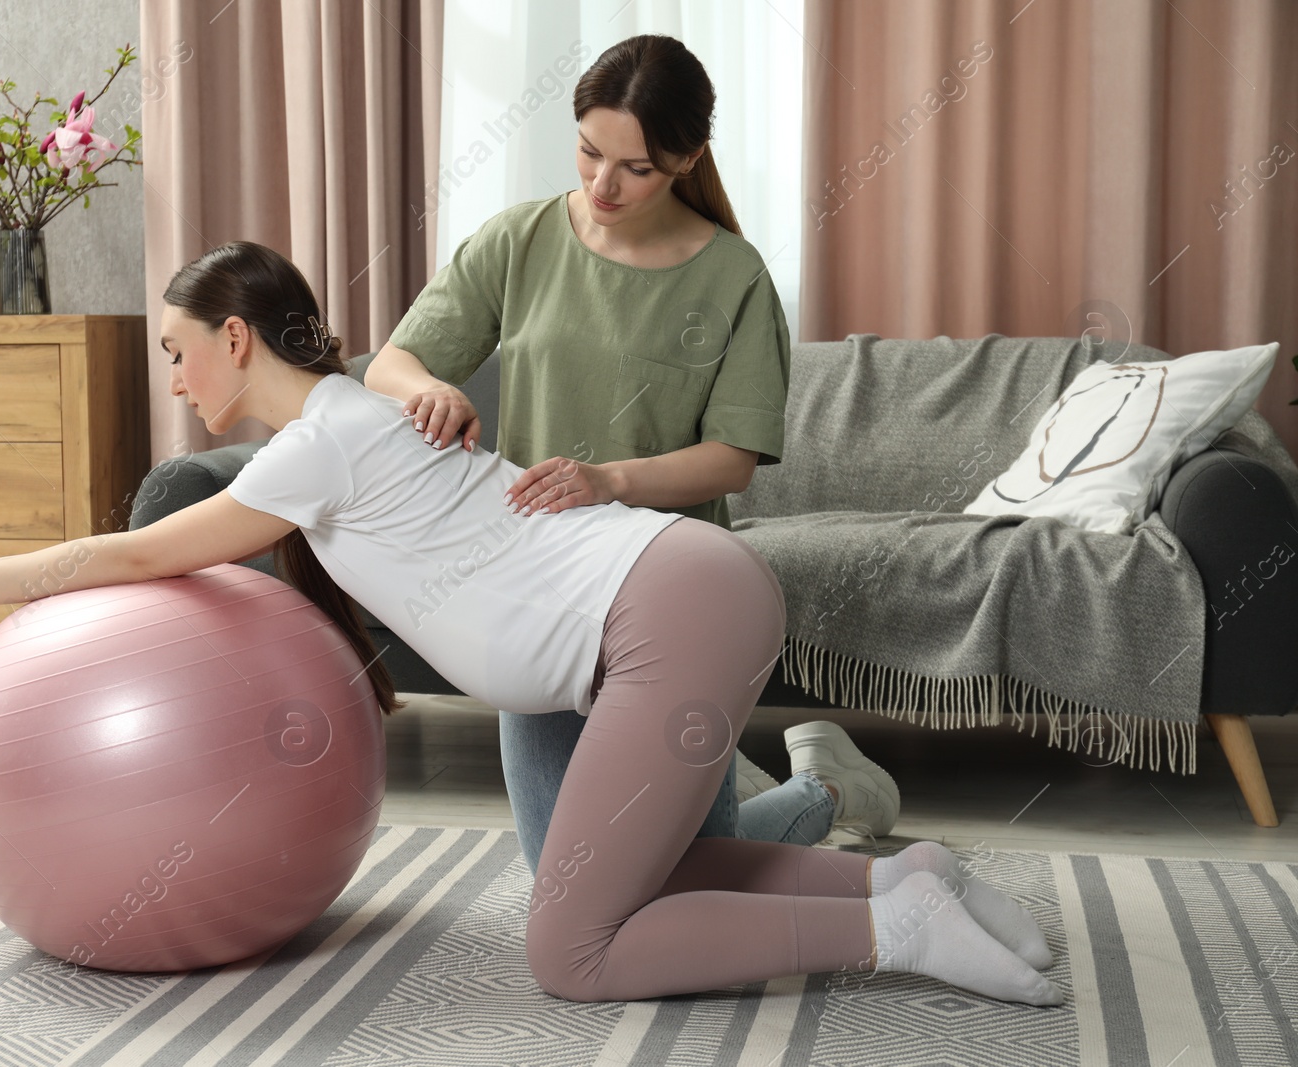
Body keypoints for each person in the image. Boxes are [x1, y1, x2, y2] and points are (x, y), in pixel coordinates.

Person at [0, 241, 1061, 1006]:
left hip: (662, 606)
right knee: (663, 869)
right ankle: (909, 877)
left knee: (574, 952)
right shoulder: (359, 415)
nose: (177, 380)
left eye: (180, 352)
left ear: (235, 338)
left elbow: (138, 549)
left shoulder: (321, 443)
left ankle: (893, 934)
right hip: (681, 596)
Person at [362, 33, 898, 877]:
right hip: (540, 596)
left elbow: (730, 460)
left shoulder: (735, 278)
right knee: (572, 882)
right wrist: (428, 390)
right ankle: (795, 788)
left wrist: (605, 480)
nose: (601, 184)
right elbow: (392, 362)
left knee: (685, 872)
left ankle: (829, 789)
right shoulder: (519, 240)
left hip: (675, 604)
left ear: (685, 160)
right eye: (587, 151)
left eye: (635, 168)